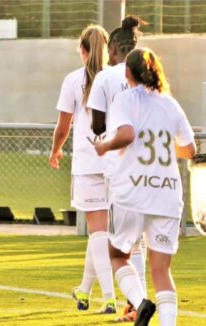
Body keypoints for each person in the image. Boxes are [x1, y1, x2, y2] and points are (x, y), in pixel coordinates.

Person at [94, 48, 196, 326]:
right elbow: (190, 149)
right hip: (166, 192)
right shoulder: (170, 104)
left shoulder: (124, 100)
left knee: (118, 254)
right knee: (161, 270)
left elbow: (126, 134)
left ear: (128, 73)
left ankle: (140, 303)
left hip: (132, 191)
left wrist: (103, 145)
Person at [49, 25, 117, 314]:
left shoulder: (73, 80)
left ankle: (111, 297)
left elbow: (63, 126)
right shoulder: (117, 79)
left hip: (88, 164)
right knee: (99, 234)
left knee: (98, 232)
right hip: (116, 164)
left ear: (83, 49)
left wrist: (55, 150)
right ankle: (84, 290)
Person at [87, 15, 148, 322]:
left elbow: (97, 124)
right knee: (139, 241)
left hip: (119, 168)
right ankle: (137, 302)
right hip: (148, 168)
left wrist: (102, 133)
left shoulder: (105, 78)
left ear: (112, 48)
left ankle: (138, 302)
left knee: (120, 246)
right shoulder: (147, 76)